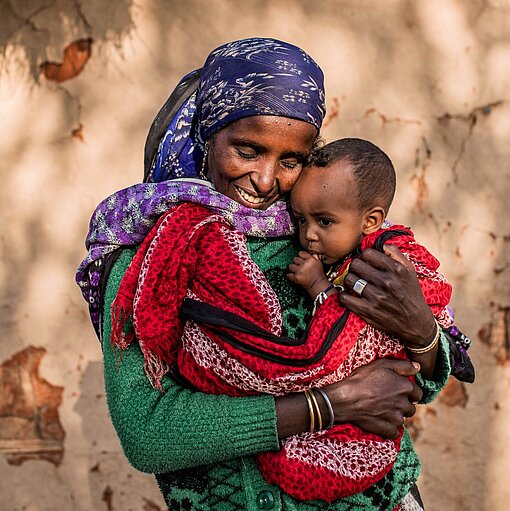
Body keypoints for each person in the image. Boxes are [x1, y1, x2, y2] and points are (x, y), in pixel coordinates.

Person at [77, 38, 454, 511]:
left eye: (290, 160)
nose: (265, 179)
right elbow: (149, 433)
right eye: (247, 150)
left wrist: (422, 330)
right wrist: (333, 403)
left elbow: (415, 380)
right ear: (207, 136)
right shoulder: (151, 260)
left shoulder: (325, 232)